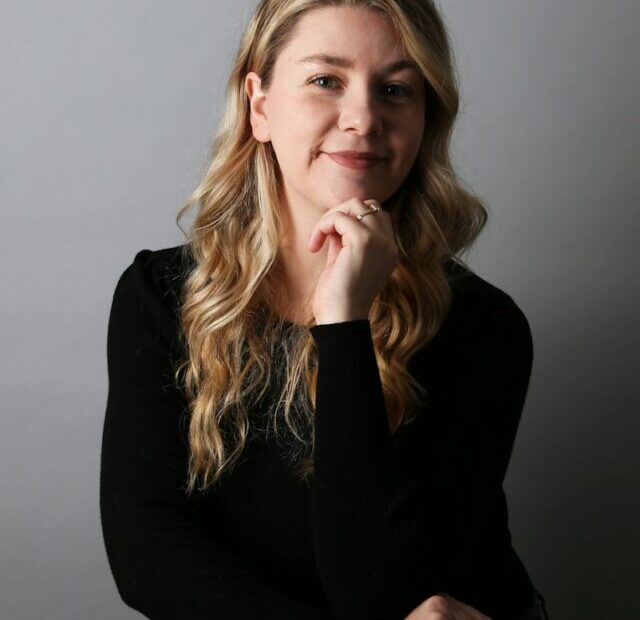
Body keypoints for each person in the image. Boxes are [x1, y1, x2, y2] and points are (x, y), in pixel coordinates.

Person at [99, 1, 550, 619]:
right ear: (260, 105)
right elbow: (146, 550)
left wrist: (344, 323)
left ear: (425, 119)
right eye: (325, 81)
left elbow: (376, 590)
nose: (364, 118)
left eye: (396, 89)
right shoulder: (161, 295)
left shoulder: (482, 328)